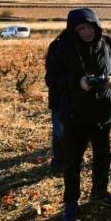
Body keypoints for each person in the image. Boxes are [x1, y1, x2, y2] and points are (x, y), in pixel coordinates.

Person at [46, 8, 111, 221]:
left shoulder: (109, 43)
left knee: (103, 156)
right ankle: (71, 203)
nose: (86, 32)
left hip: (104, 113)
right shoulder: (62, 47)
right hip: (75, 115)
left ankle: (99, 192)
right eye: (81, 28)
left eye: (89, 27)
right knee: (73, 162)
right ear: (74, 30)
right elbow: (51, 78)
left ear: (97, 25)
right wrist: (77, 83)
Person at [44, 31, 67, 172]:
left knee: (59, 131)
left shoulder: (55, 45)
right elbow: (51, 78)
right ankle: (60, 160)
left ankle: (59, 160)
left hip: (57, 98)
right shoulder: (60, 48)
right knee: (61, 131)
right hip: (59, 97)